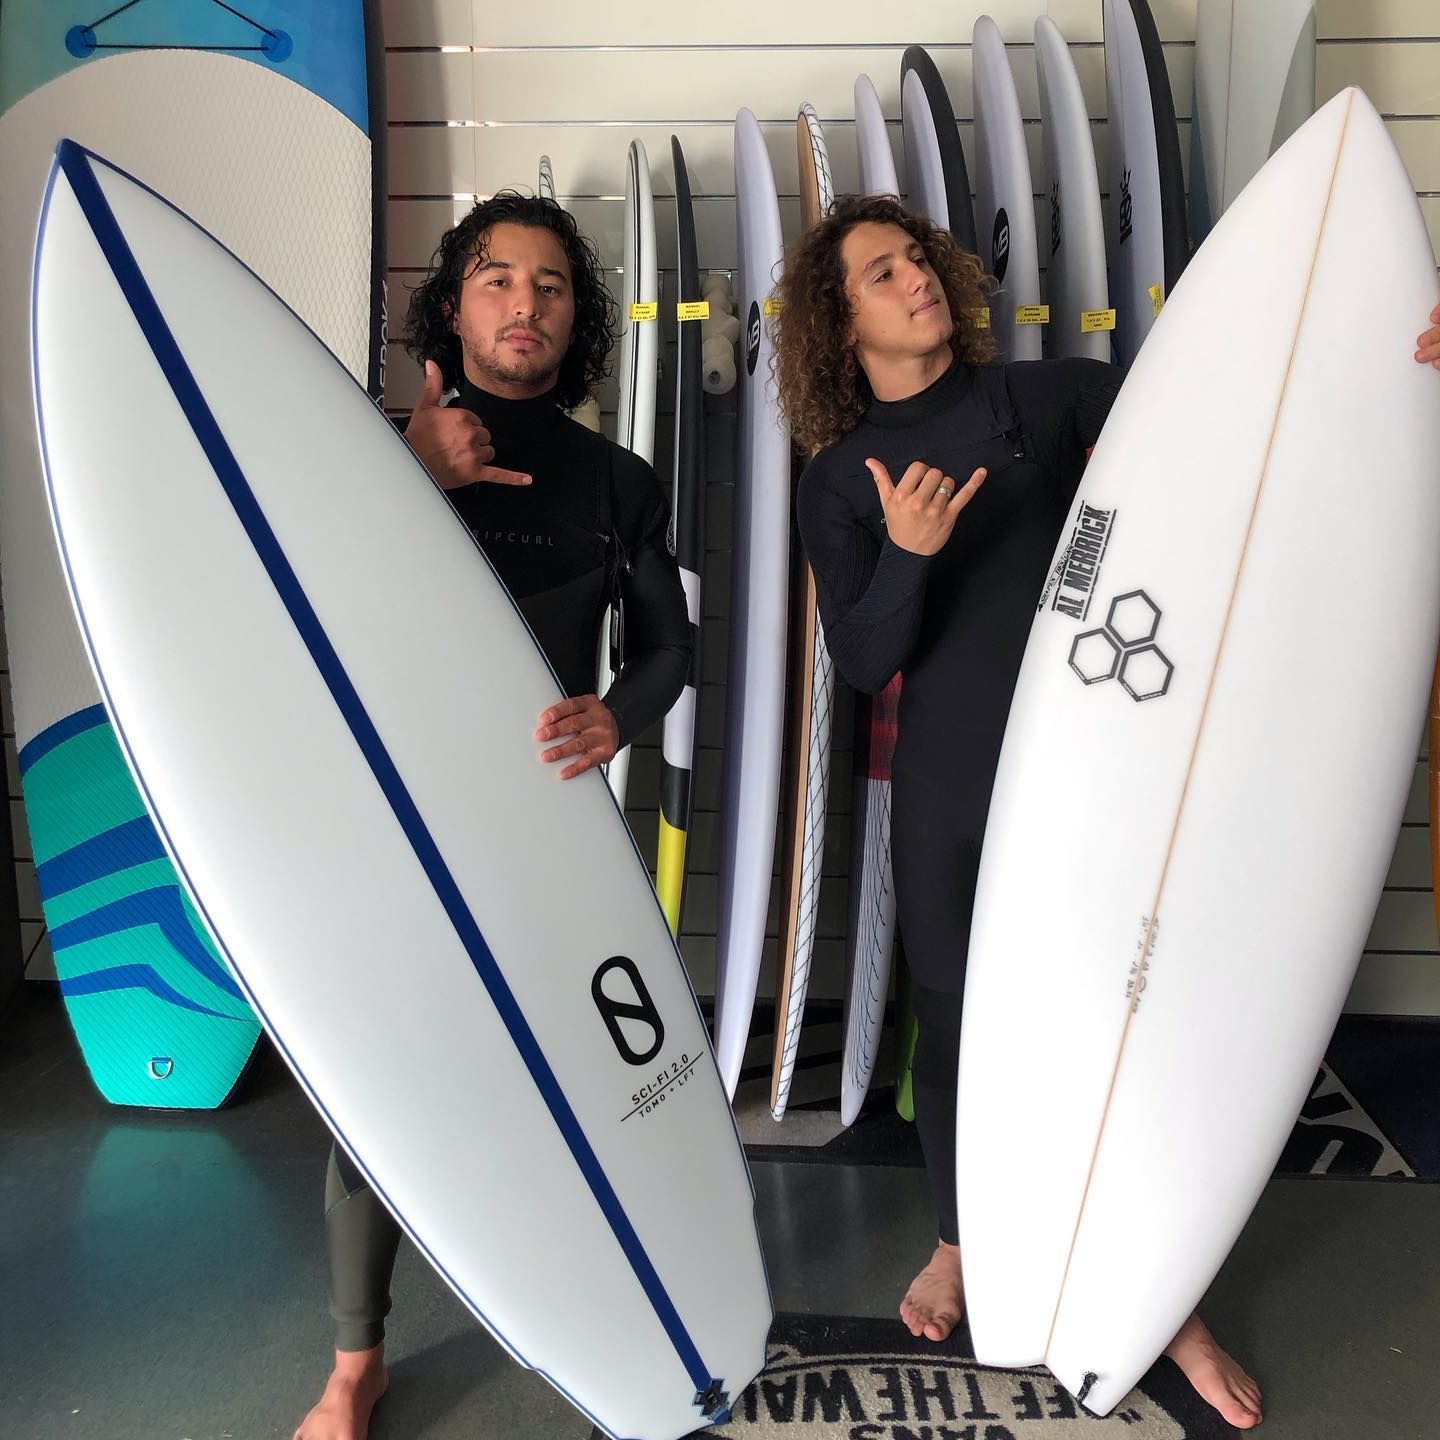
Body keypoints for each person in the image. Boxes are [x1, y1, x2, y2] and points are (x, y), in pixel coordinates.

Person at [772, 193, 1440, 1431]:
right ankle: (964, 1242)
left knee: (1118, 1010)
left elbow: (1225, 426)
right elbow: (862, 661)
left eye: (918, 258)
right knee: (957, 1016)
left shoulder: (1045, 400)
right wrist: (912, 550)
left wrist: (1385, 350)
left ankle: (1162, 1298)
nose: (916, 278)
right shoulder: (842, 477)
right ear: (837, 318)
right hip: (954, 786)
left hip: (1096, 766)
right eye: (881, 272)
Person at [294, 193, 690, 1440]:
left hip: (548, 834)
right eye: (498, 278)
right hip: (393, 824)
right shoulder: (357, 447)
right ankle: (358, 1360)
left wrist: (618, 717)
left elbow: (672, 649)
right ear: (453, 302)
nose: (526, 304)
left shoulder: (616, 481)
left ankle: (589, 1311)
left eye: (553, 286)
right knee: (380, 1086)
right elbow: (294, 604)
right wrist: (408, 477)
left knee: (580, 1085)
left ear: (579, 322)